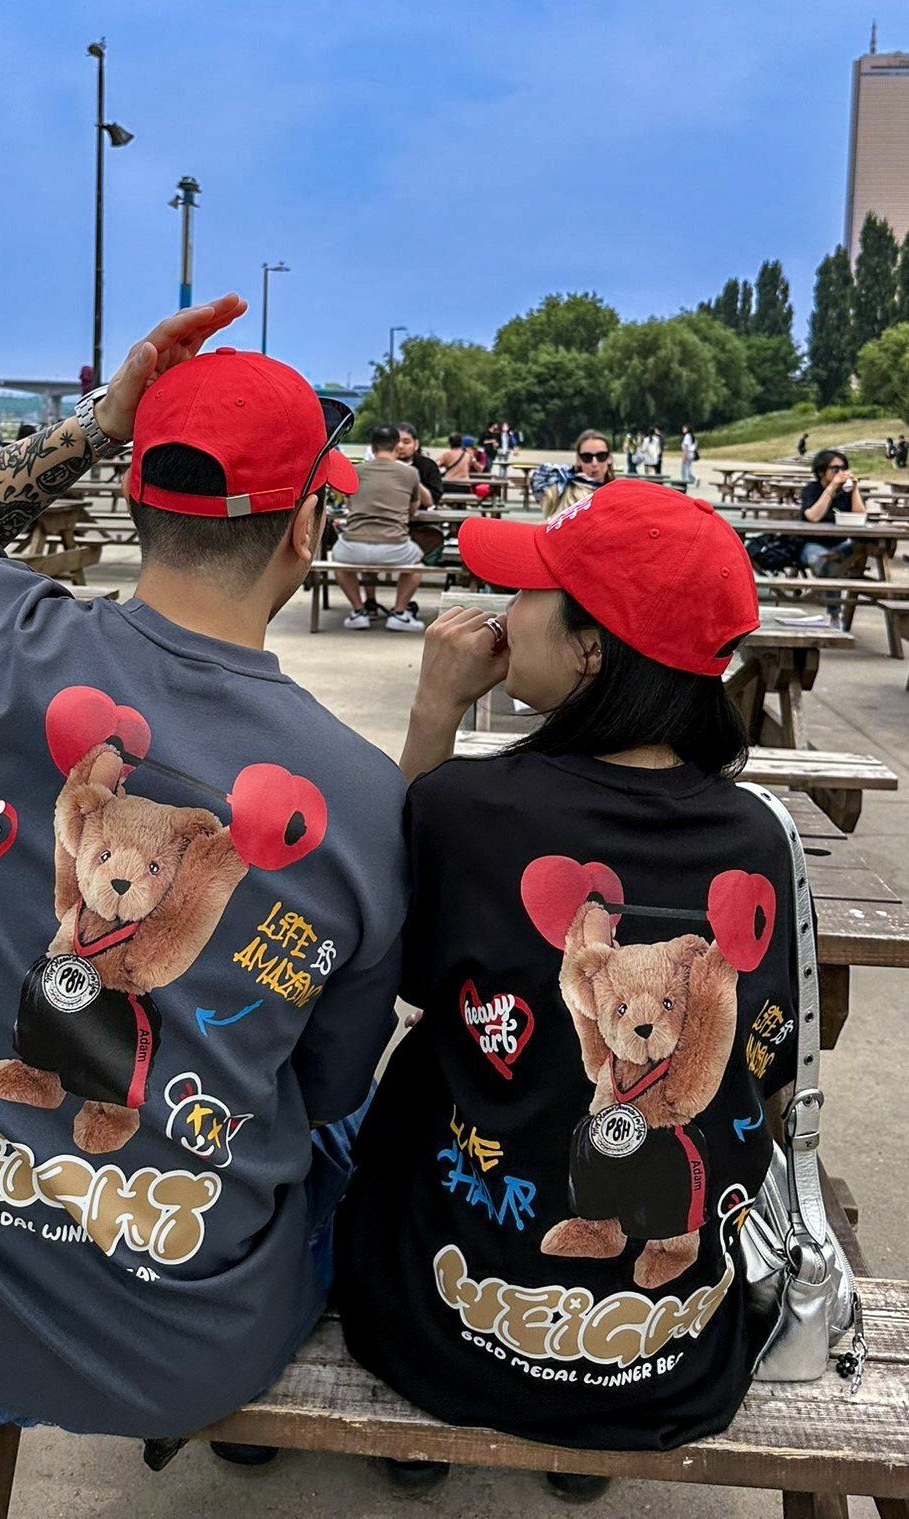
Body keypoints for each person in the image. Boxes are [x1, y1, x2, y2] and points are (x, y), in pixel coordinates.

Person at [0, 296, 412, 1446]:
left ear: (131, 496)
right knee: (352, 1114)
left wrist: (98, 419)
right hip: (176, 1359)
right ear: (306, 529)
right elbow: (324, 1090)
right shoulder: (362, 799)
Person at [336, 478, 803, 1479]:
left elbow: (393, 966)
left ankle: (438, 1419)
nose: (501, 612)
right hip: (670, 1354)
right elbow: (765, 1061)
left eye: (525, 592)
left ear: (590, 649)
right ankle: (583, 1423)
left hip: (442, 1324)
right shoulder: (756, 835)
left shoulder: (466, 806)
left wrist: (434, 706)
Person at [331, 424, 428, 631]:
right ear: (397, 447)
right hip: (395, 547)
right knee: (417, 565)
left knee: (338, 561)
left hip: (353, 546)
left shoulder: (355, 471)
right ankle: (399, 614)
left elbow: (349, 505)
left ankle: (359, 611)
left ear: (372, 447)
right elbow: (412, 510)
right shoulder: (411, 474)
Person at [796, 448, 867, 624]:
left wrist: (855, 490)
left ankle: (830, 564)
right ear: (821, 471)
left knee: (855, 549)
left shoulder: (845, 492)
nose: (840, 472)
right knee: (828, 563)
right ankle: (835, 615)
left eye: (843, 468)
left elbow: (860, 516)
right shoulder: (812, 490)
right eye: (835, 469)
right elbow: (813, 516)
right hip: (812, 544)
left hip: (840, 544)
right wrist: (831, 488)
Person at [531, 428, 615, 519]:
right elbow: (539, 478)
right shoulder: (566, 488)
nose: (594, 463)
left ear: (609, 458)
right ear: (578, 460)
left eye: (601, 456)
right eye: (587, 457)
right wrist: (577, 479)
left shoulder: (617, 490)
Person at [396, 422, 443, 506]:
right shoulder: (384, 465)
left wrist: (411, 476)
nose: (400, 446)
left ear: (416, 444)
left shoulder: (428, 466)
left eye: (406, 442)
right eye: (396, 442)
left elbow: (431, 502)